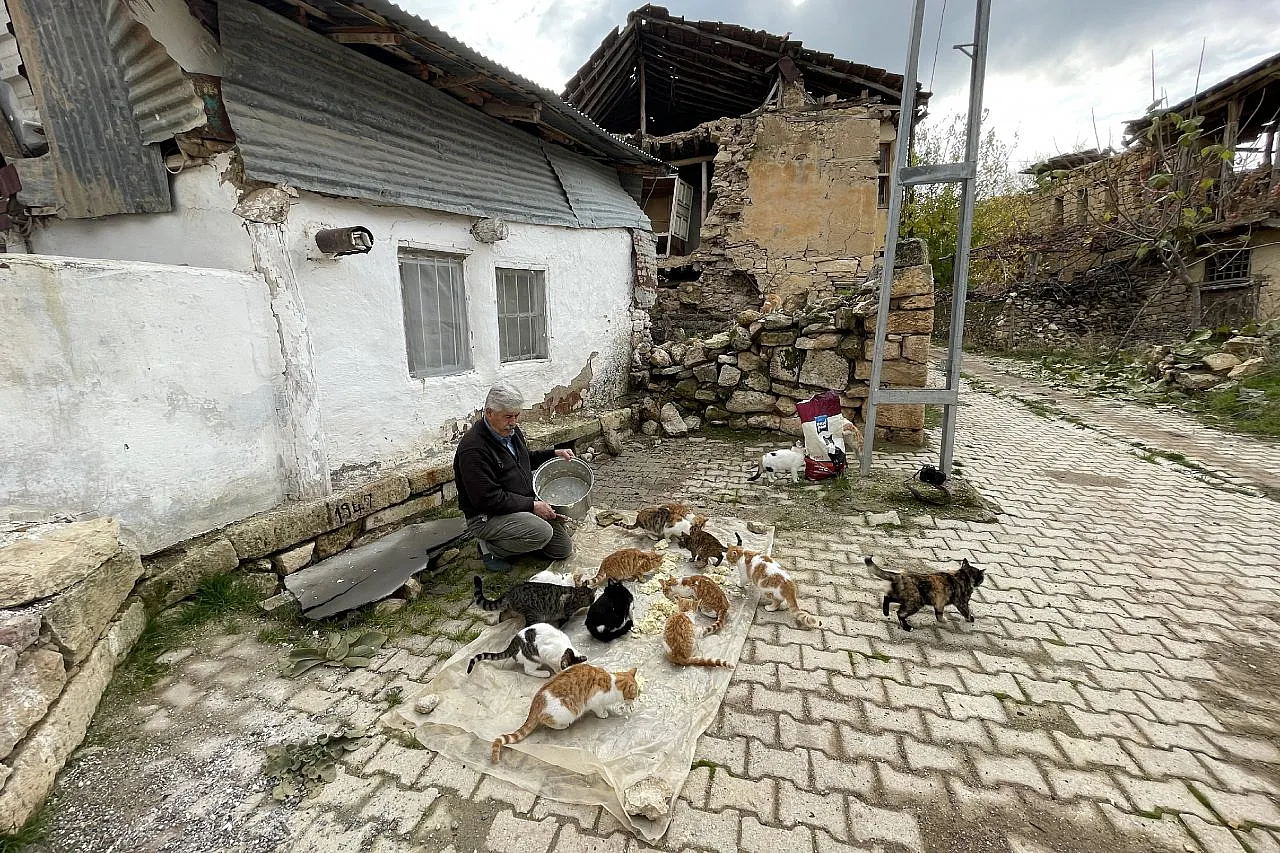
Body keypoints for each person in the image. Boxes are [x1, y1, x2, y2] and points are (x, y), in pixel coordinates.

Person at [454, 382, 576, 572]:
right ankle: (490, 548)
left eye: (516, 416)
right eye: (508, 416)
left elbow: (524, 459)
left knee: (562, 549)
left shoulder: (510, 431)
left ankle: (522, 538)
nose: (513, 422)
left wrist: (554, 454)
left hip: (518, 506)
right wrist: (532, 506)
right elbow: (487, 499)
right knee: (542, 532)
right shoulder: (473, 449)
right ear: (489, 413)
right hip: (487, 516)